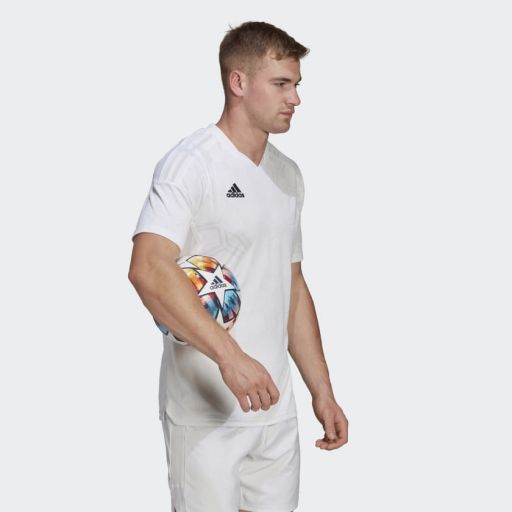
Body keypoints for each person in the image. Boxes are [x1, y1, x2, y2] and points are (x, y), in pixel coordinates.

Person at [128, 20, 348, 512]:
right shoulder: (191, 164)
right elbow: (148, 268)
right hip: (206, 416)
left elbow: (292, 286)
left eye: (296, 85)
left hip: (275, 414)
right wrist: (231, 358)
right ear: (239, 82)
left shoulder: (287, 175)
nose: (295, 98)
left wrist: (322, 391)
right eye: (281, 84)